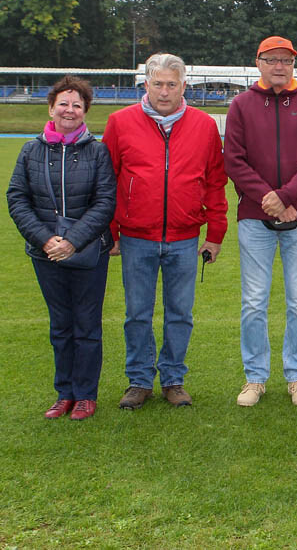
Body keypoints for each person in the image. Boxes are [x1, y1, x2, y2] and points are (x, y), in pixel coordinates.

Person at [104, 53, 229, 410]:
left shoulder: (204, 125)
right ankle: (139, 380)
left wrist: (215, 233)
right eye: (157, 84)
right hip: (136, 237)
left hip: (184, 237)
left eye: (171, 84)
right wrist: (111, 230)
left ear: (183, 86)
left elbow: (215, 182)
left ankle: (173, 379)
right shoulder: (120, 122)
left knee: (180, 314)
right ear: (146, 84)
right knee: (137, 313)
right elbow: (107, 180)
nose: (164, 91)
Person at [224, 36, 297, 407]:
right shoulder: (241, 104)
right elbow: (233, 160)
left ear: (293, 64)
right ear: (258, 63)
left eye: (286, 60)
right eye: (272, 60)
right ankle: (255, 378)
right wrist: (269, 200)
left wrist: (285, 197)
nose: (279, 66)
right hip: (255, 218)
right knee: (254, 302)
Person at [7, 76, 116, 420]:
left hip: (89, 253)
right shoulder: (31, 151)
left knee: (87, 325)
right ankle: (64, 393)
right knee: (60, 325)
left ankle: (85, 395)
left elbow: (105, 202)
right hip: (46, 254)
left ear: (85, 111)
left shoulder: (97, 151)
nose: (70, 110)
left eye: (77, 105)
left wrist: (73, 241)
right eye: (64, 103)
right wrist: (45, 239)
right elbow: (17, 198)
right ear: (51, 108)